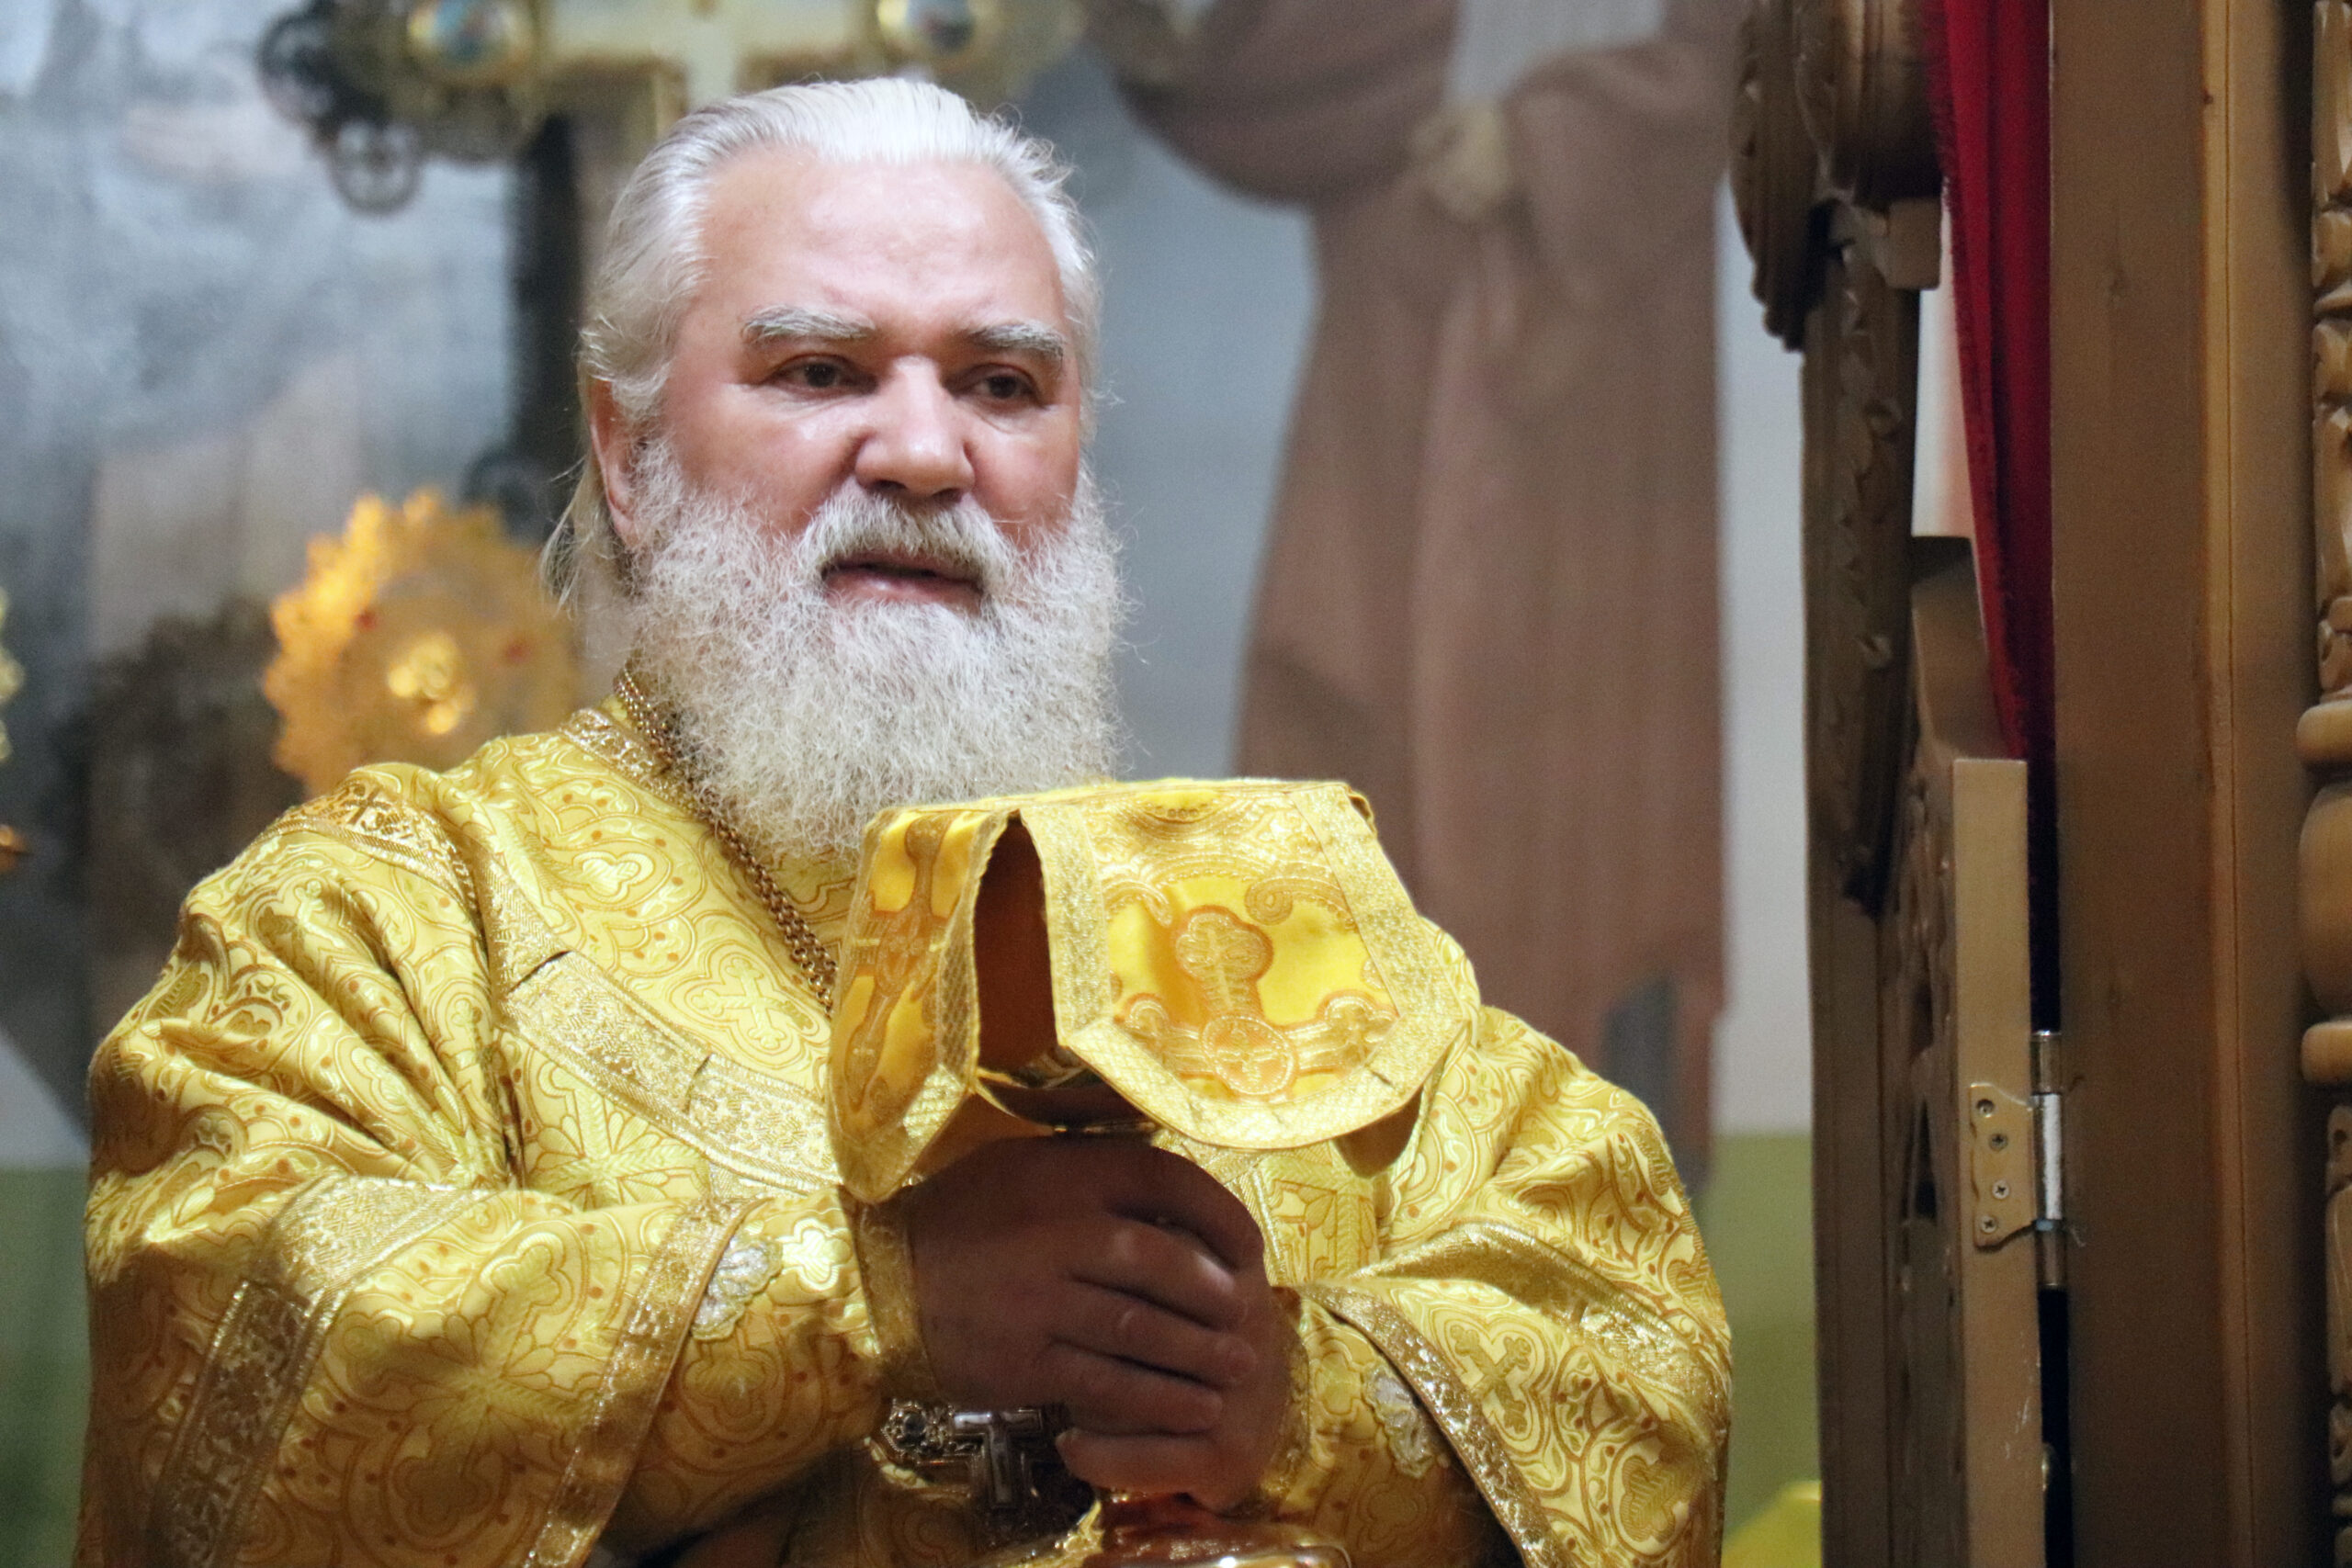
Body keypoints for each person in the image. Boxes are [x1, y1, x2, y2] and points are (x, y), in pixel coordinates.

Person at [76, 80, 1727, 1568]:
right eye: (821, 372)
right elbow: (236, 1346)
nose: (927, 453)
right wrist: (873, 1302)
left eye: (1003, 384)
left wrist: (1297, 1406)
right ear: (628, 454)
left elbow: (1630, 1349)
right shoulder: (388, 914)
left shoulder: (1265, 918)